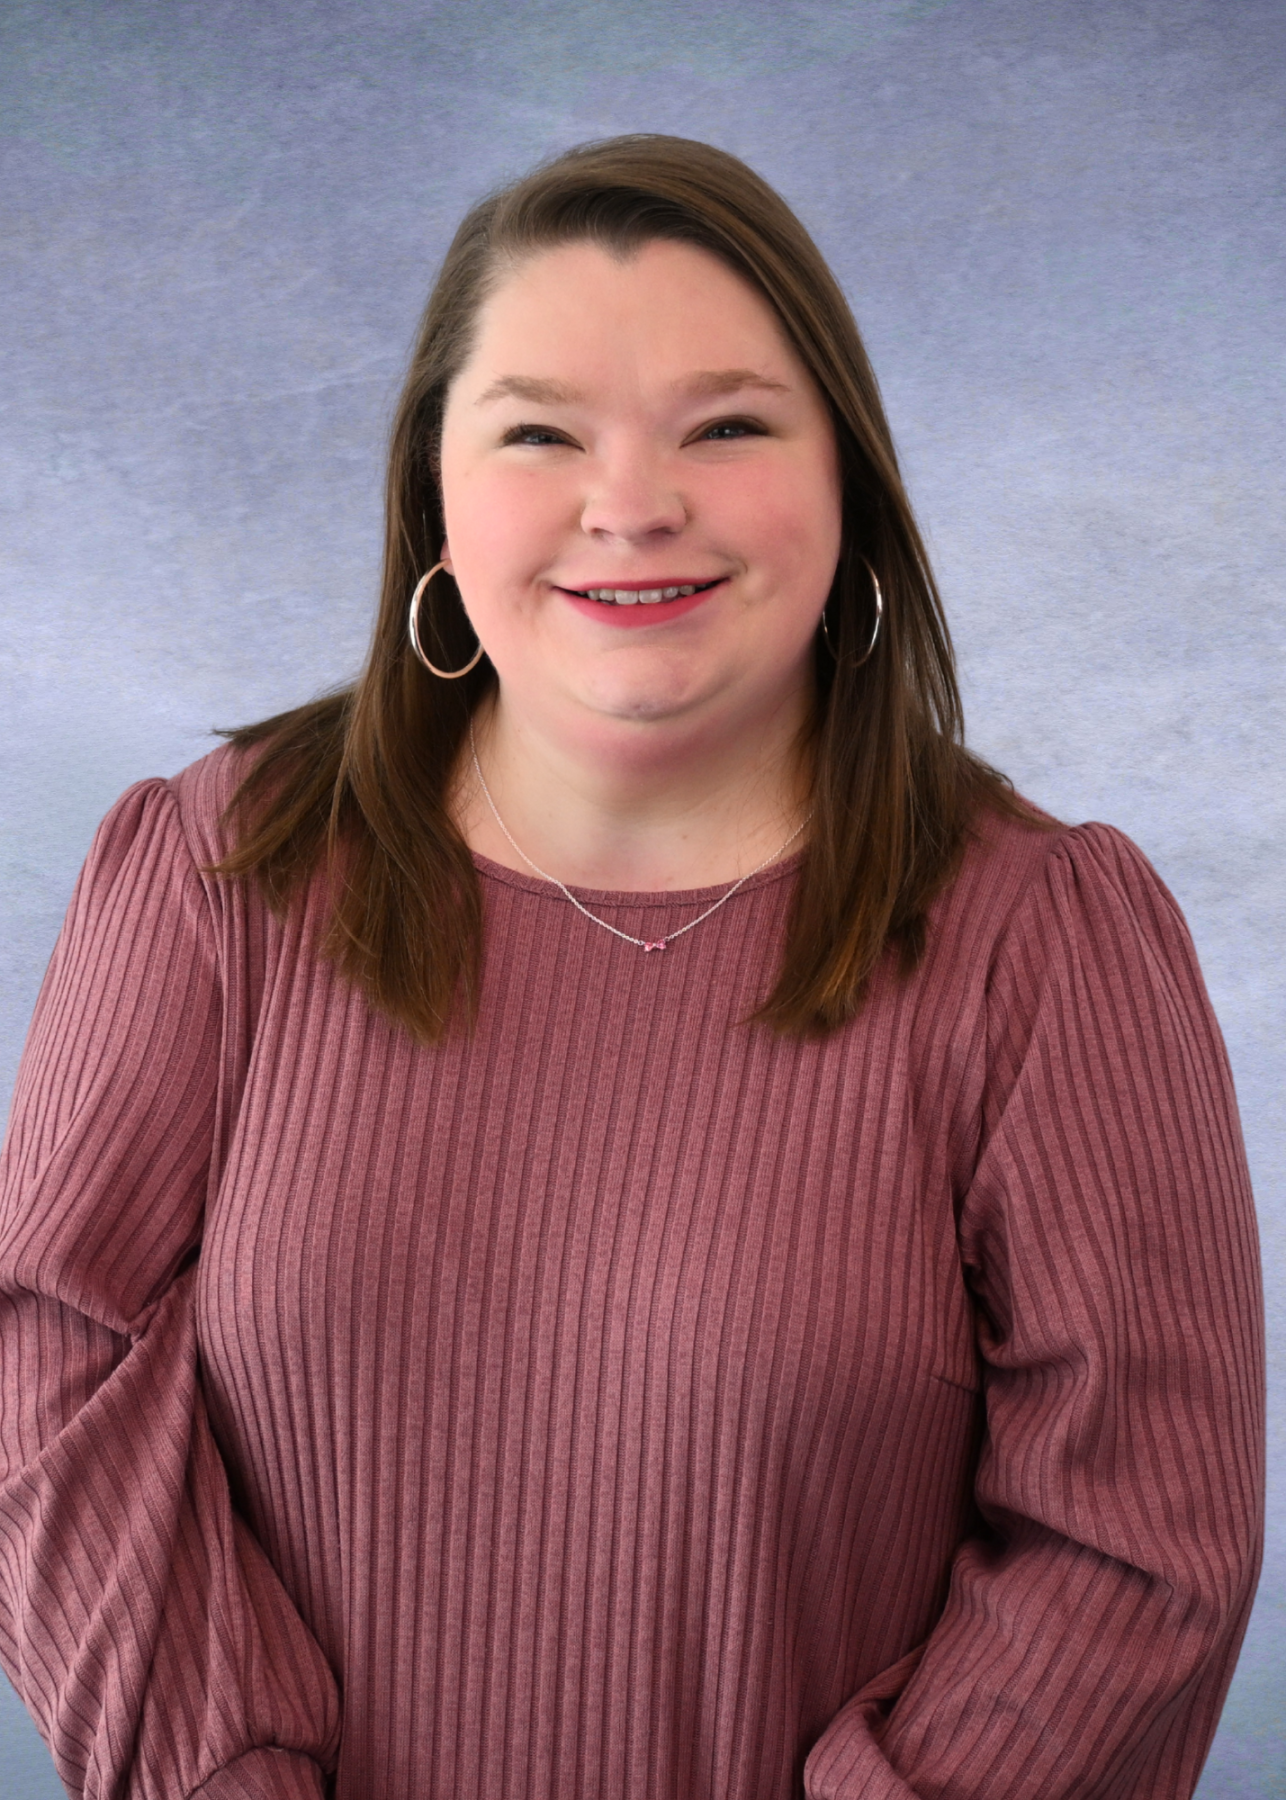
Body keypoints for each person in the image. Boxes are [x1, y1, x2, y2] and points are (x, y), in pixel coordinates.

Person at [0, 134, 1263, 1800]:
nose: (630, 505)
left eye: (727, 424)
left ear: (849, 489)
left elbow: (1137, 1548)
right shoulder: (213, 872)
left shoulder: (1042, 939)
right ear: (432, 498)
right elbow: (46, 1361)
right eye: (538, 432)